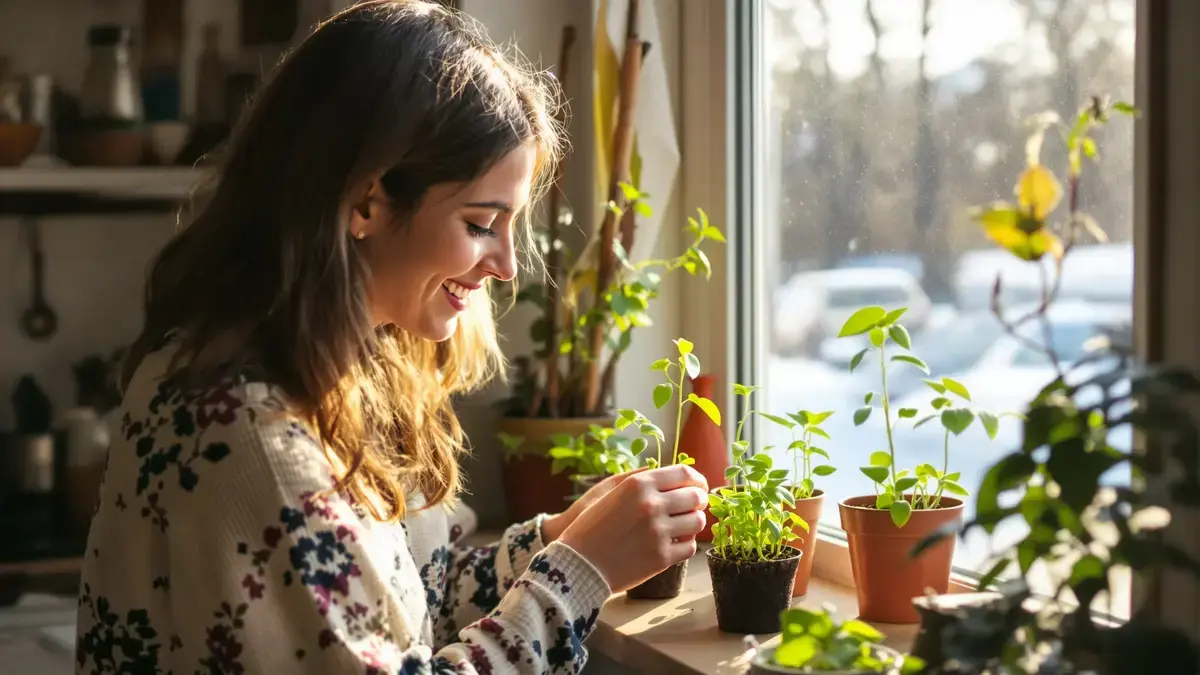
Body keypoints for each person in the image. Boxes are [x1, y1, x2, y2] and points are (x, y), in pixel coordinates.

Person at [75, 2, 710, 673]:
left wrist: (556, 540)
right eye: (479, 222)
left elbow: (397, 605)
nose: (506, 265)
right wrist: (581, 570)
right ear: (368, 204)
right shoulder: (247, 429)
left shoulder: (325, 368)